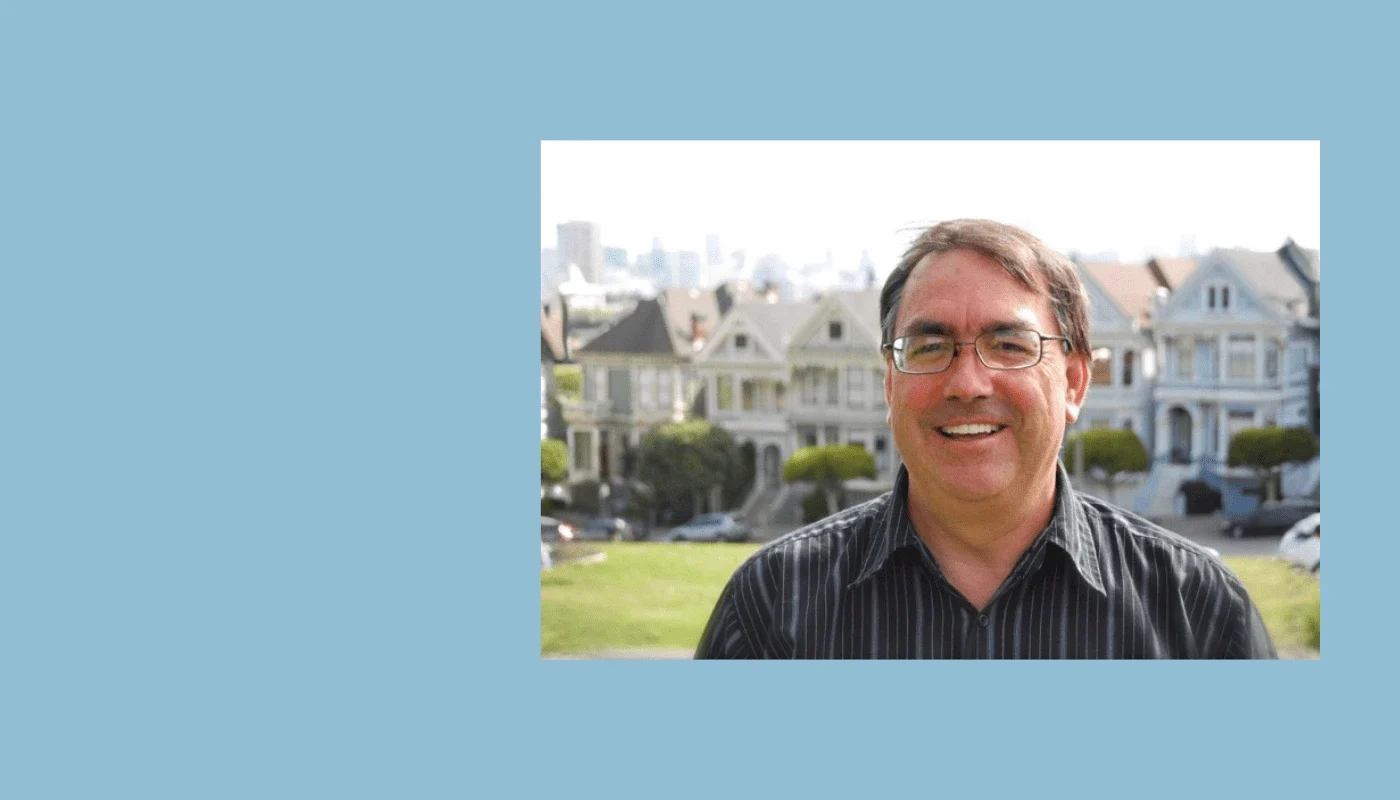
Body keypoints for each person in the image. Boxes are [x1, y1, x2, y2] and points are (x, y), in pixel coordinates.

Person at [695, 219, 1276, 659]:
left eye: (1010, 345)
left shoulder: (1198, 616)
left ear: (1074, 382)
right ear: (890, 381)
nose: (968, 383)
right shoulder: (771, 611)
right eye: (929, 347)